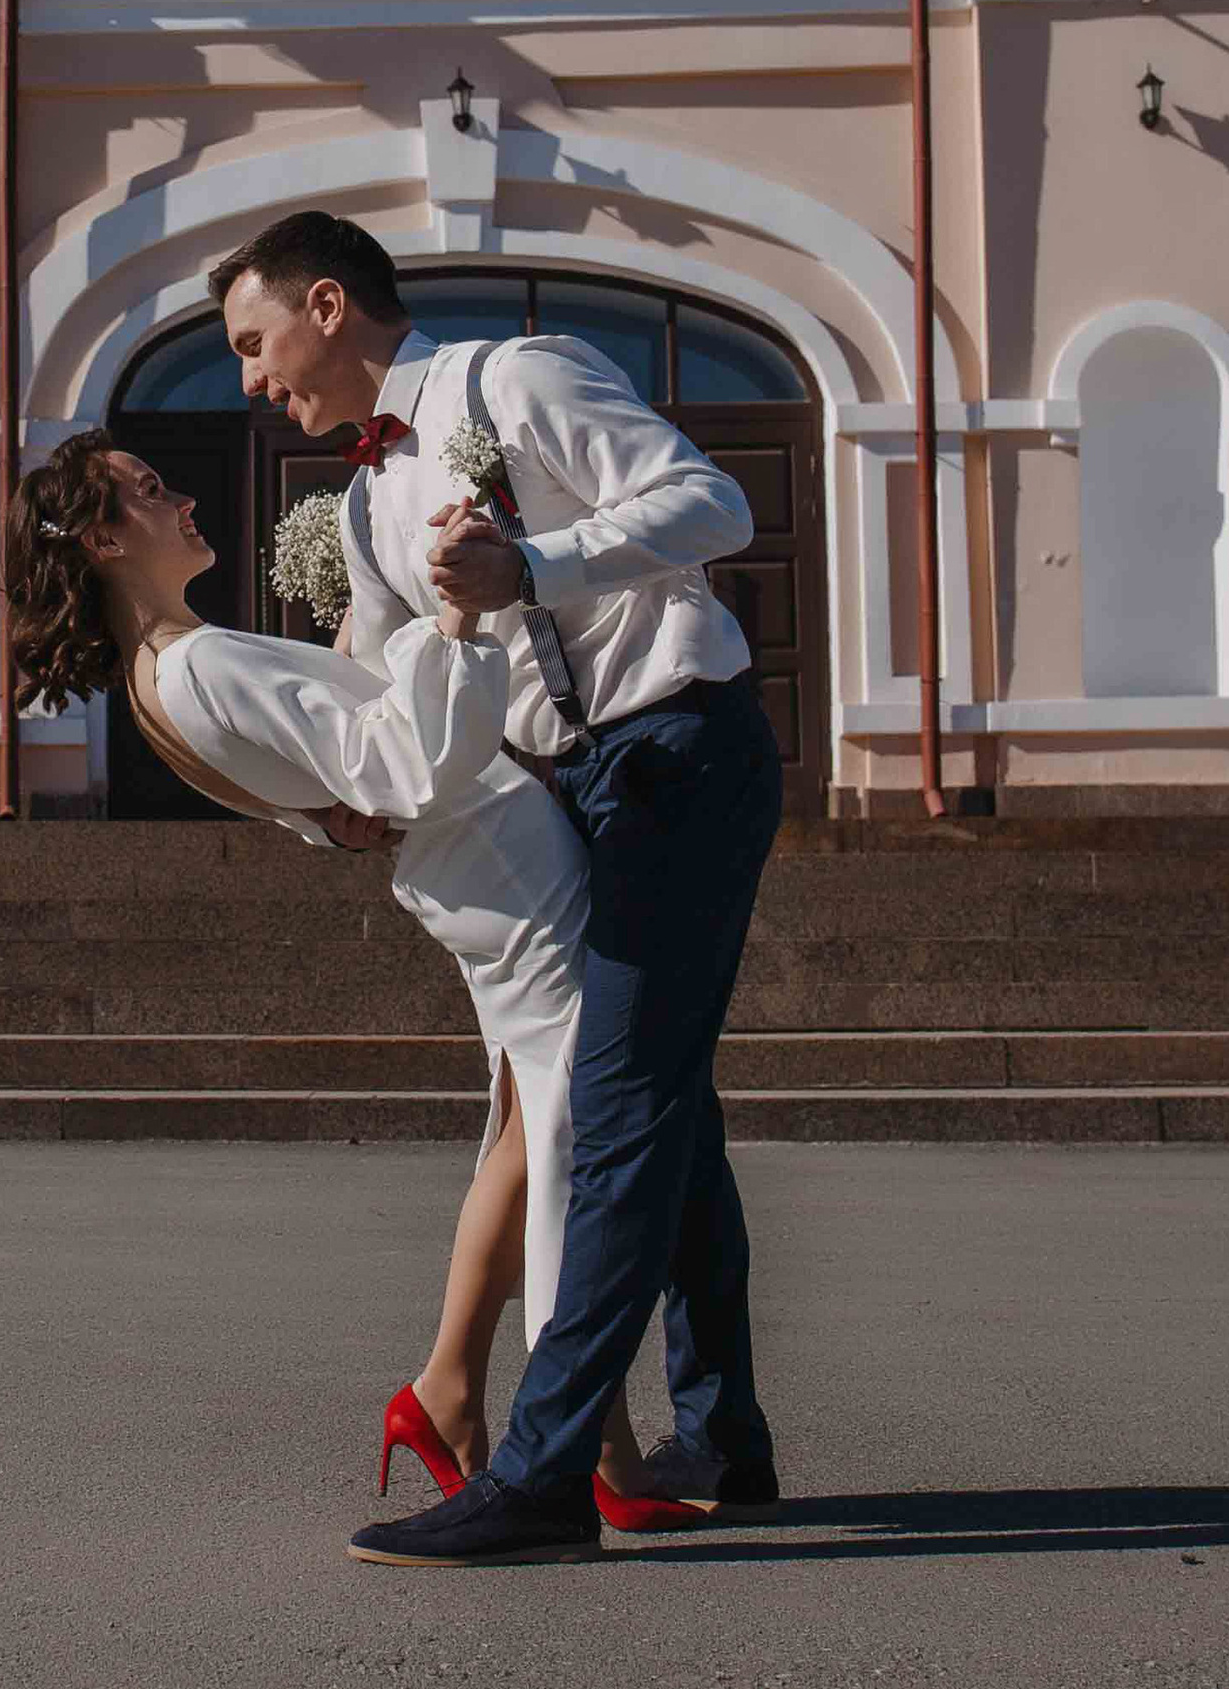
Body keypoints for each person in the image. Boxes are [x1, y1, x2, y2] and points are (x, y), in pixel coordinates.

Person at [211, 212, 785, 1569]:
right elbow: (361, 693)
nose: (246, 379)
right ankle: (731, 1437)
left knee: (622, 1098)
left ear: (330, 306)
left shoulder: (514, 378)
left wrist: (538, 564)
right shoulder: (362, 501)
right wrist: (322, 816)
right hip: (562, 789)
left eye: (253, 342)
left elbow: (716, 504)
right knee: (672, 1103)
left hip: (680, 744)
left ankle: (539, 1473)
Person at [4, 428, 695, 1551]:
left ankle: (468, 1400)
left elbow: (330, 791)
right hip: (505, 868)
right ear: (100, 539)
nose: (181, 498)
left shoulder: (166, 671)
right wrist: (462, 617)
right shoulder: (197, 663)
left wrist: (338, 778)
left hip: (482, 868)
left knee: (533, 1129)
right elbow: (401, 768)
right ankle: (572, 1444)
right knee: (572, 1141)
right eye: (149, 492)